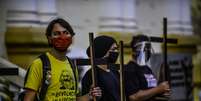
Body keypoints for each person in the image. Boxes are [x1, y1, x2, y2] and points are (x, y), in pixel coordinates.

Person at [23, 18, 101, 101]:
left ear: (72, 38)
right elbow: (28, 98)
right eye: (56, 34)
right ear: (49, 39)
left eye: (66, 33)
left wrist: (90, 95)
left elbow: (75, 99)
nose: (62, 37)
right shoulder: (39, 64)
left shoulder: (72, 65)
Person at [124, 34, 170, 101]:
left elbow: (151, 89)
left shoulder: (146, 68)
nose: (147, 51)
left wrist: (161, 92)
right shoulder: (130, 69)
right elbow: (133, 97)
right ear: (134, 51)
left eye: (149, 48)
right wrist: (158, 89)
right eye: (144, 48)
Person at [80, 35, 120, 101]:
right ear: (103, 50)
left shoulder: (114, 71)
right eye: (113, 49)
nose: (116, 52)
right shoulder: (91, 74)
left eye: (116, 49)